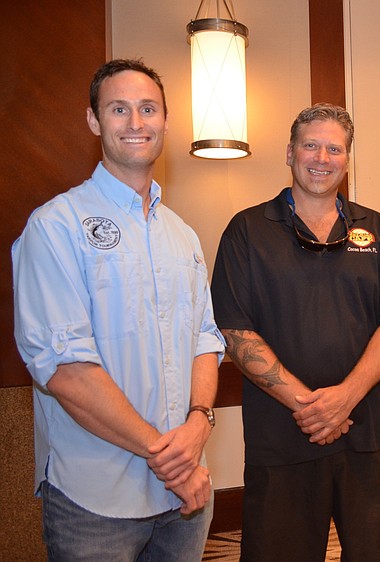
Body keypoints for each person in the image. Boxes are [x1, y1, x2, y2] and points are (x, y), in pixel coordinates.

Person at [12, 58, 224, 560]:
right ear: (94, 120)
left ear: (165, 122)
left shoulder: (182, 235)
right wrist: (167, 458)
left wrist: (199, 421)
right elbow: (65, 369)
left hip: (184, 495)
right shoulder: (55, 226)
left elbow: (205, 339)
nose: (135, 122)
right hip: (96, 501)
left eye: (148, 109)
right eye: (118, 109)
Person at [210, 103, 380, 562]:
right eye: (311, 146)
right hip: (281, 437)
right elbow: (236, 331)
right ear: (290, 153)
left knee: (374, 553)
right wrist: (313, 407)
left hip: (364, 433)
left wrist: (344, 399)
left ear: (347, 159)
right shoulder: (247, 231)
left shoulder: (376, 229)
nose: (322, 158)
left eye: (334, 149)